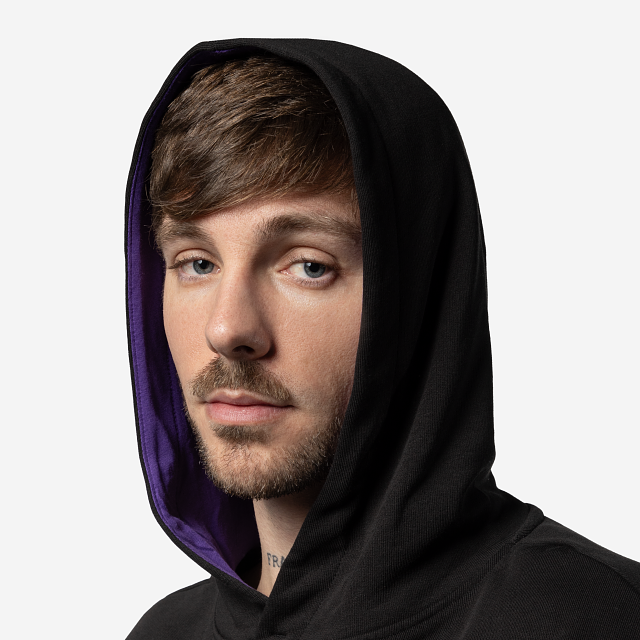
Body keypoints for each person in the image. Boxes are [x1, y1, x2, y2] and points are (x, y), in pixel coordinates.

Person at [125, 39, 640, 639]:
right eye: (196, 263)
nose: (227, 329)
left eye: (309, 266)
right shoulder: (164, 631)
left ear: (417, 295)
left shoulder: (591, 620)